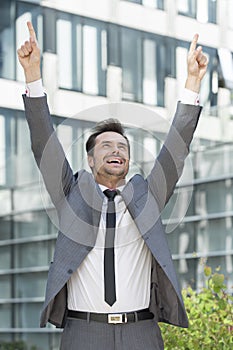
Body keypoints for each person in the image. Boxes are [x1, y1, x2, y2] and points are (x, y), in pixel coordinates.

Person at [17, 22, 208, 350]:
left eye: (122, 146)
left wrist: (192, 82)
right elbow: (43, 143)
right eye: (105, 146)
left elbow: (176, 148)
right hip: (83, 332)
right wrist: (33, 76)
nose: (115, 150)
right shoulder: (71, 195)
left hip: (141, 332)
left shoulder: (147, 196)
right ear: (90, 160)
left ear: (129, 160)